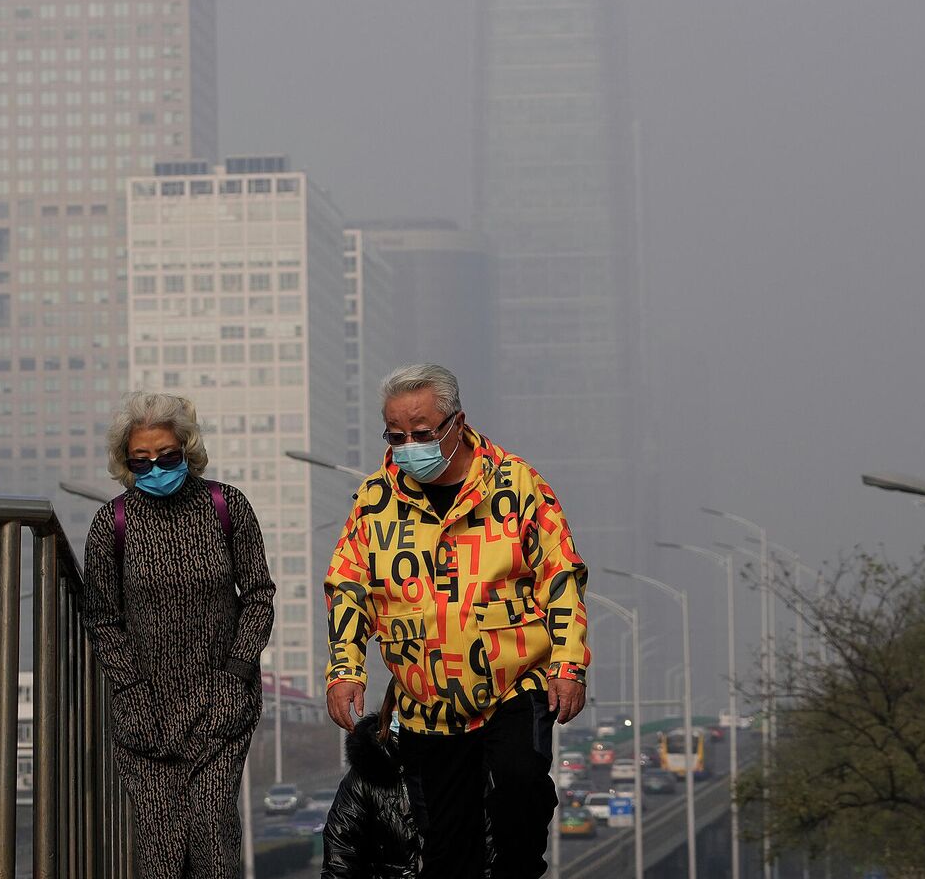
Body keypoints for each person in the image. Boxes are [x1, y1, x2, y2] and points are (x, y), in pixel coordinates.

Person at [322, 364, 589, 879]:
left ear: (457, 422)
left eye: (421, 434)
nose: (407, 446)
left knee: (520, 783)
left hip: (515, 681)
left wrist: (569, 665)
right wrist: (344, 670)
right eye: (395, 435)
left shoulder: (517, 485)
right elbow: (349, 587)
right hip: (426, 698)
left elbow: (561, 575)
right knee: (447, 847)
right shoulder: (376, 500)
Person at [84, 392, 276, 879]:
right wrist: (130, 691)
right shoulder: (112, 524)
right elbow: (103, 618)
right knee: (162, 849)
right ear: (126, 463)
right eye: (141, 460)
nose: (156, 467)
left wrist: (236, 674)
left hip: (221, 701)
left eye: (166, 457)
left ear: (187, 450)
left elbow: (257, 594)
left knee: (213, 834)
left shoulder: (226, 506)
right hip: (145, 711)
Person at [321, 686, 422, 879]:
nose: (410, 713)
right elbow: (340, 855)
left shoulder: (463, 767)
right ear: (389, 708)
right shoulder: (365, 775)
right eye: (404, 704)